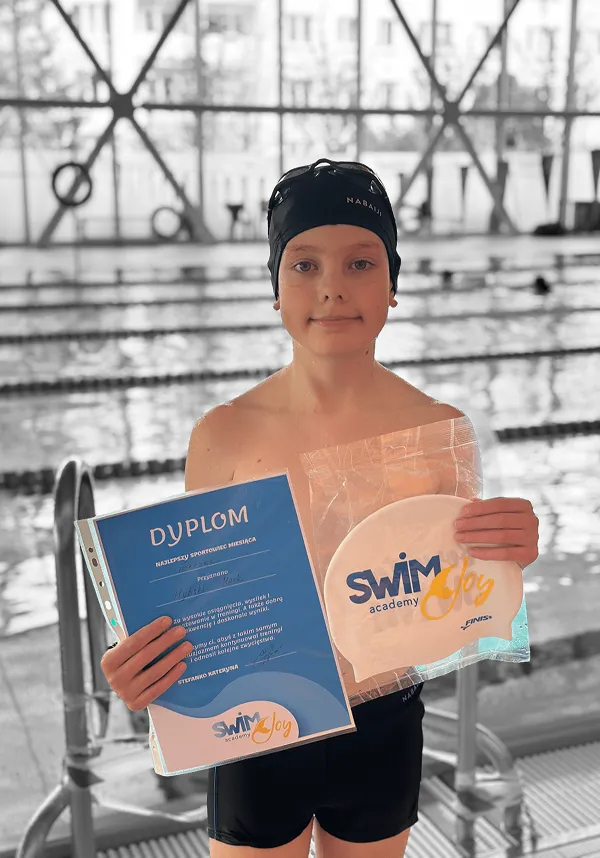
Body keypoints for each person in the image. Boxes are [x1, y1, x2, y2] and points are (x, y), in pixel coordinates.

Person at [101, 158, 539, 858]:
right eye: (304, 265)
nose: (332, 287)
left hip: (385, 728)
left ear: (393, 282)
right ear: (275, 288)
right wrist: (144, 663)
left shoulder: (439, 431)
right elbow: (196, 601)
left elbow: (461, 598)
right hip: (253, 727)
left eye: (360, 263)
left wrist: (509, 553)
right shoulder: (224, 434)